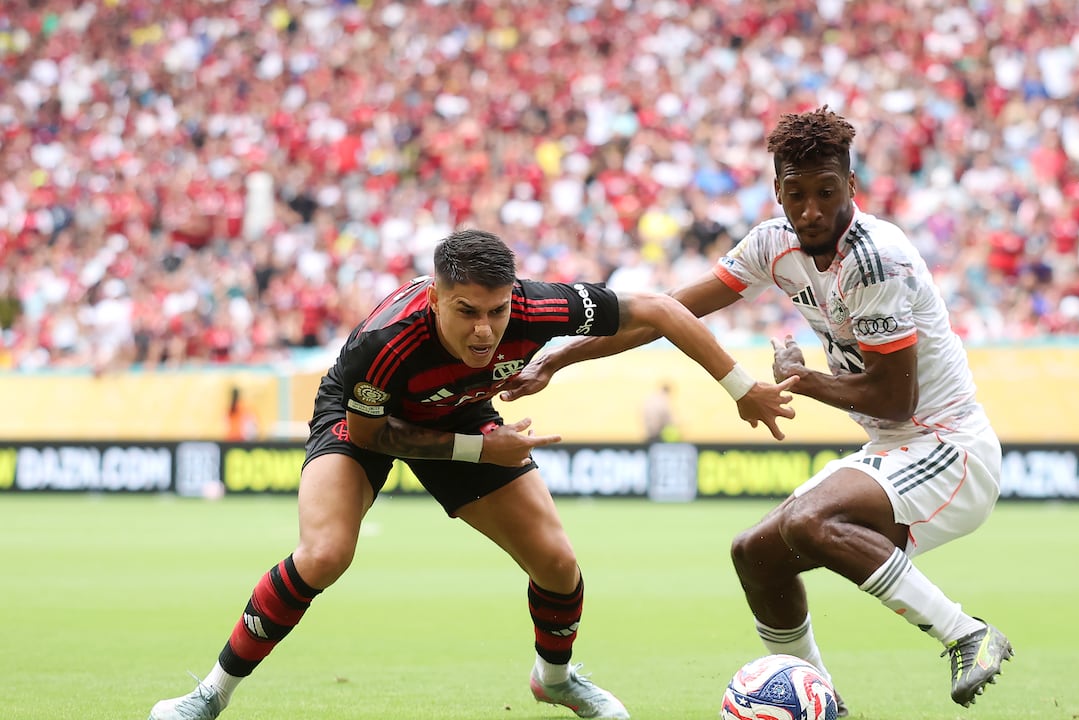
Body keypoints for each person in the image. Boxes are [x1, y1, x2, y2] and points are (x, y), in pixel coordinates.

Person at [148, 229, 798, 720]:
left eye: (496, 311)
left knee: (556, 563)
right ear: (434, 298)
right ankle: (209, 695)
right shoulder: (386, 341)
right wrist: (482, 453)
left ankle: (555, 679)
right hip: (361, 421)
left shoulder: (539, 308)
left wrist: (738, 386)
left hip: (462, 413)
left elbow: (658, 309)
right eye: (465, 312)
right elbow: (378, 435)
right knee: (324, 554)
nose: (484, 330)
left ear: (513, 297)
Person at [500, 107, 1013, 713]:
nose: (812, 210)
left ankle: (968, 634)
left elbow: (892, 397)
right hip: (894, 448)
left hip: (950, 447)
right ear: (777, 191)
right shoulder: (774, 244)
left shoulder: (876, 259)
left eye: (827, 192)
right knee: (756, 555)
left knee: (808, 524)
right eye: (796, 194)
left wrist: (803, 381)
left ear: (852, 186)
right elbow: (664, 311)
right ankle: (830, 707)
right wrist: (558, 360)